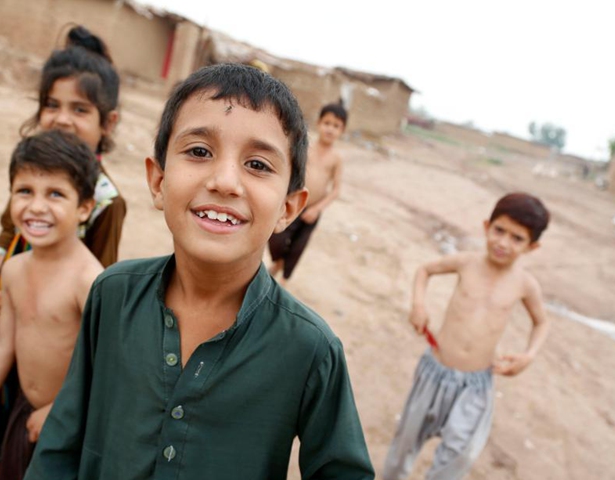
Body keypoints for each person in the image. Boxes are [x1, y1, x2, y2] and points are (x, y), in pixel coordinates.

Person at [24, 63, 374, 480]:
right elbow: (62, 442)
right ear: (157, 181)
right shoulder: (112, 295)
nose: (225, 181)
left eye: (258, 165)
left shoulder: (310, 349)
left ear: (288, 208)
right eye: (199, 152)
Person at [0, 26, 125, 476]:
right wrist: (5, 274)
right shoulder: (32, 176)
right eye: (52, 105)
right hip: (17, 315)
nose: (63, 118)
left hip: (61, 355)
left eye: (79, 109)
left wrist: (61, 406)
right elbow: (6, 237)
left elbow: (99, 334)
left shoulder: (107, 203)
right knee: (3, 433)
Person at [0, 130, 104, 480]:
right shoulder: (13, 270)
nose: (36, 206)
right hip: (25, 413)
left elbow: (107, 366)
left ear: (84, 208)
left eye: (55, 193)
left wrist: (58, 410)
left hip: (74, 422)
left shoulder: (90, 281)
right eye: (24, 191)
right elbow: (4, 343)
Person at [383, 193, 551, 480]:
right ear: (486, 226)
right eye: (499, 231)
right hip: (434, 372)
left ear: (531, 247)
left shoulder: (524, 284)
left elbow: (541, 322)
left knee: (459, 457)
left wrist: (528, 356)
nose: (503, 242)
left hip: (475, 386)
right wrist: (418, 305)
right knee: (405, 445)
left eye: (516, 238)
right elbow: (425, 270)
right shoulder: (466, 262)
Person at [268, 102, 345, 285]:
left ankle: (284, 282)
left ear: (342, 130)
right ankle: (278, 261)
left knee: (297, 248)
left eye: (336, 126)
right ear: (318, 123)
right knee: (276, 238)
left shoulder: (336, 158)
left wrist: (317, 209)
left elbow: (335, 190)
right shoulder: (306, 148)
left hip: (312, 212)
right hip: (293, 204)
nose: (330, 129)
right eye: (327, 123)